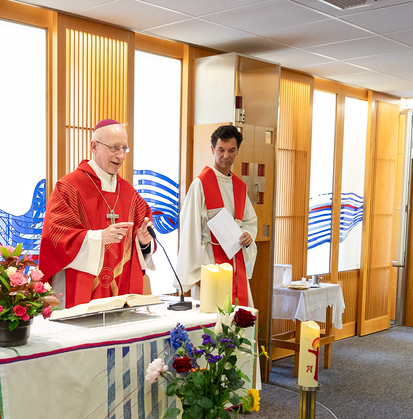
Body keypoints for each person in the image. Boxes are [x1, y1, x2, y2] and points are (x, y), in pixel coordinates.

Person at [39, 119, 155, 308]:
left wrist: (143, 242)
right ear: (94, 147)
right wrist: (99, 238)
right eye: (114, 148)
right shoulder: (68, 188)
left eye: (124, 149)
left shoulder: (130, 194)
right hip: (79, 289)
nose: (120, 155)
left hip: (120, 292)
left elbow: (143, 240)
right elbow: (55, 238)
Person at [176, 124, 258, 307]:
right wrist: (197, 273)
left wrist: (247, 234)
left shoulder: (239, 187)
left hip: (236, 263)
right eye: (221, 150)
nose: (226, 156)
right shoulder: (200, 184)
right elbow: (190, 229)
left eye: (231, 150)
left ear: (237, 151)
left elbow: (249, 221)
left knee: (238, 317)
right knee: (212, 318)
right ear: (212, 149)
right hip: (210, 263)